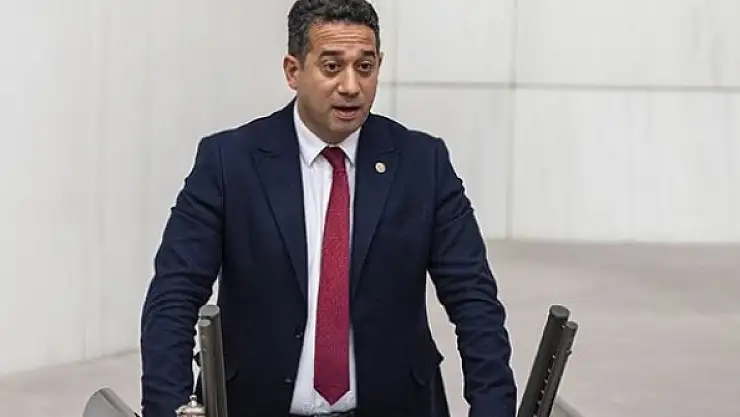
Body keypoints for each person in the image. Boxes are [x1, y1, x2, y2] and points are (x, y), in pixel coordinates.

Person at [139, 0, 516, 416]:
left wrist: (493, 408)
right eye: (332, 67)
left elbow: (473, 299)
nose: (351, 86)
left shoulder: (423, 164)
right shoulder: (229, 162)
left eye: (365, 67)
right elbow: (174, 295)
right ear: (293, 71)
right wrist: (168, 408)